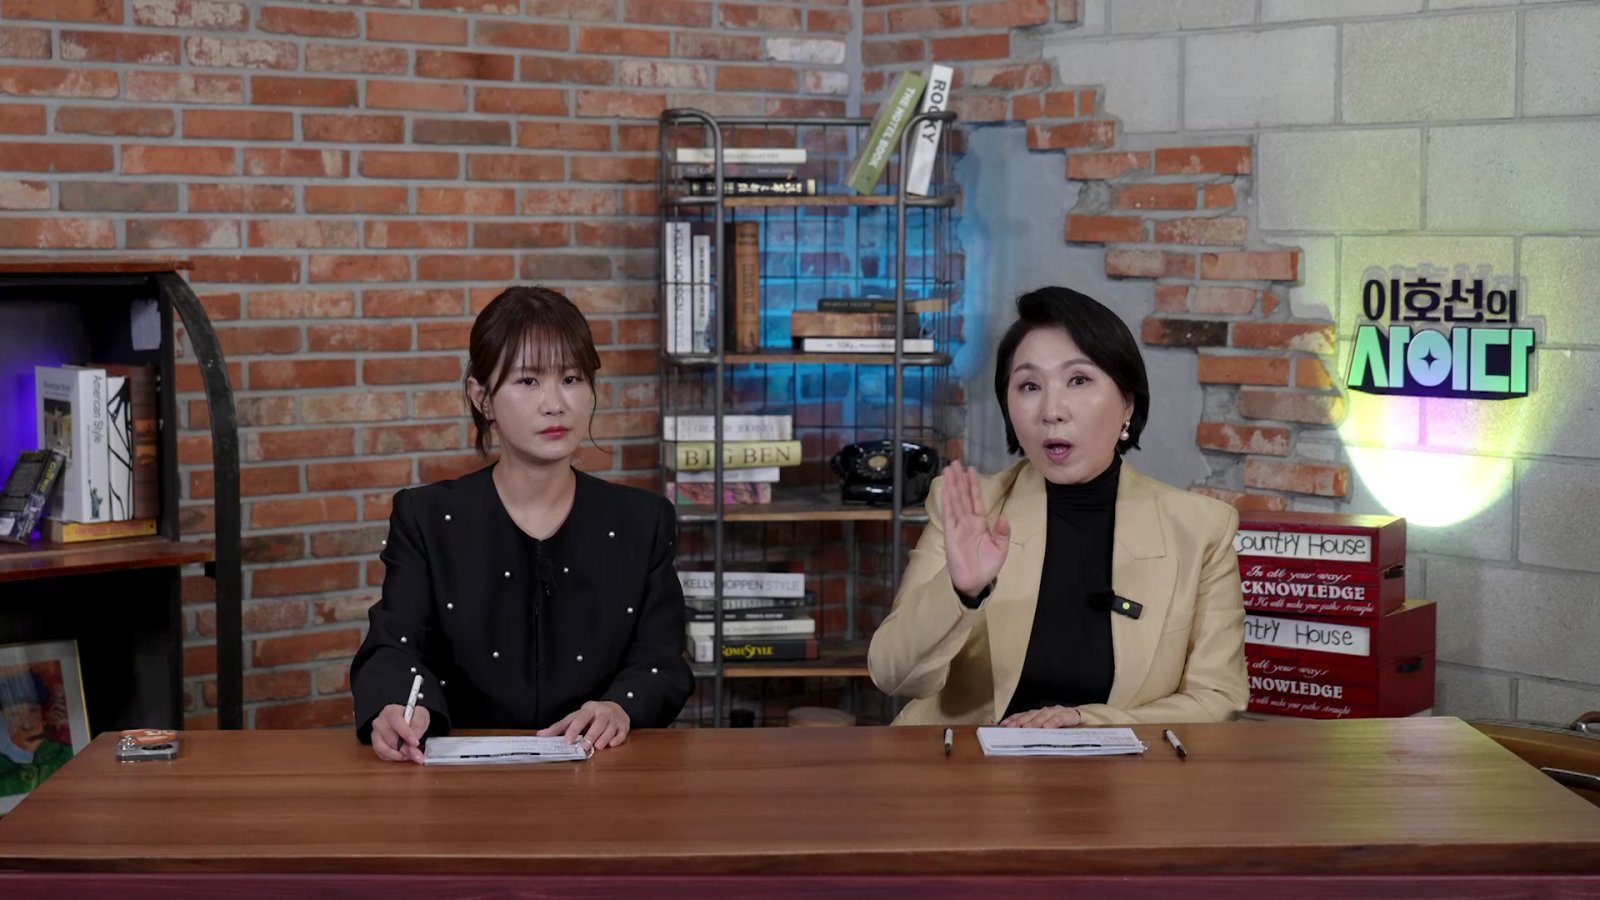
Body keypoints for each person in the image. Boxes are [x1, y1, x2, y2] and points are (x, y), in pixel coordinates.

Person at [868, 286, 1247, 727]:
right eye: (1029, 386)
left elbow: (1218, 699)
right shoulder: (974, 510)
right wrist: (960, 592)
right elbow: (891, 675)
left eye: (1079, 380)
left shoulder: (1200, 530)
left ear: (1126, 402)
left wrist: (1088, 724)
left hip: (1118, 769)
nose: (1051, 411)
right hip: (966, 764)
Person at [351, 286, 694, 762]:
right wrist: (399, 708)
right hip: (457, 780)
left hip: (604, 770)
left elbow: (662, 658)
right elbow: (394, 646)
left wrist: (620, 706)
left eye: (571, 378)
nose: (555, 403)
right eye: (528, 381)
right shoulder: (426, 517)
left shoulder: (642, 520)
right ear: (482, 398)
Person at [0, 668, 73, 797]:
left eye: (32, 711)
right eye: (14, 714)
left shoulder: (66, 755)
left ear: (43, 715)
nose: (27, 725)